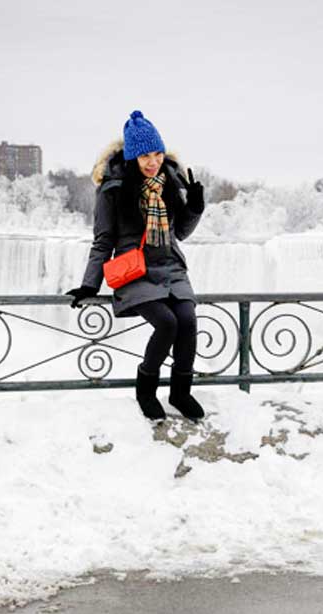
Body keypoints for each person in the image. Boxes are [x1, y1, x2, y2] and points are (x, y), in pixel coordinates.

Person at [67, 110, 206, 421]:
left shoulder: (170, 181)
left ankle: (180, 393)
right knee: (167, 323)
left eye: (157, 154)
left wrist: (195, 207)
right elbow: (103, 240)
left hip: (171, 268)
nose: (153, 162)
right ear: (133, 157)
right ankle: (146, 390)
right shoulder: (113, 189)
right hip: (136, 271)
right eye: (145, 156)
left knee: (187, 321)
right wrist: (89, 284)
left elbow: (180, 232)